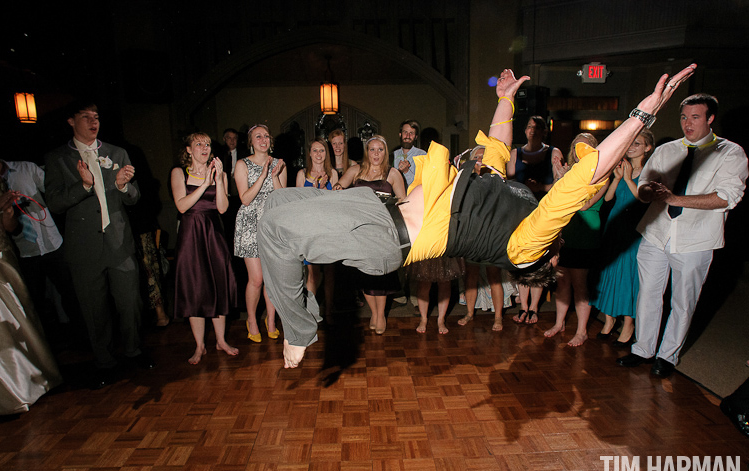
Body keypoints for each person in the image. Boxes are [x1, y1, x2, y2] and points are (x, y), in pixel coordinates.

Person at [258, 65, 697, 369]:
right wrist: (505, 100)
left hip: (383, 239)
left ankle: (298, 328)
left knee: (278, 231)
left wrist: (641, 116)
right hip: (375, 207)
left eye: (557, 255)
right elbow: (496, 151)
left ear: (547, 264)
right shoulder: (518, 198)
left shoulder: (529, 245)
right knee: (275, 208)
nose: (560, 247)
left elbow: (582, 176)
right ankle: (300, 306)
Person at [617, 93, 748, 378]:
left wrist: (675, 199)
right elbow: (644, 193)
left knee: (683, 301)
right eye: (683, 117)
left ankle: (667, 356)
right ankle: (643, 349)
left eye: (695, 117)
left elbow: (727, 197)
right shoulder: (668, 150)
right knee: (647, 296)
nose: (687, 124)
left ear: (711, 118)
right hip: (655, 233)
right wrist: (649, 191)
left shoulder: (731, 152)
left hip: (695, 240)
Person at [45, 101, 153, 389]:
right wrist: (81, 186)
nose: (93, 122)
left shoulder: (116, 153)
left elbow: (135, 196)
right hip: (84, 247)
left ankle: (133, 351)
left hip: (119, 242)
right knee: (94, 309)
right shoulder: (58, 159)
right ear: (71, 121)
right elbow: (54, 202)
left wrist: (122, 186)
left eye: (96, 117)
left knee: (131, 302)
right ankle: (104, 361)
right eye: (85, 117)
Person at [171, 133, 238, 364]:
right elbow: (182, 205)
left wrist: (218, 180)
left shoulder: (220, 173)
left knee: (217, 286)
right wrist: (204, 185)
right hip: (190, 234)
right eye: (198, 143)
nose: (204, 147)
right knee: (195, 289)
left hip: (213, 234)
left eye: (207, 144)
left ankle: (221, 340)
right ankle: (200, 346)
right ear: (189, 149)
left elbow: (222, 208)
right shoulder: (179, 173)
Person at [0, 159, 84, 339]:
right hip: (23, 251)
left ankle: (83, 337)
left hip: (52, 243)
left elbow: (56, 194)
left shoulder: (26, 168)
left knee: (70, 292)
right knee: (33, 301)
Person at [0, 180, 62, 414]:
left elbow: (12, 227)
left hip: (4, 256)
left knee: (20, 318)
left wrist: (7, 212)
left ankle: (26, 383)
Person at [334, 135, 407, 334]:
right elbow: (338, 189)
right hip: (361, 230)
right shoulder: (356, 170)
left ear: (385, 152)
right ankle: (374, 311)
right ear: (367, 152)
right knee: (364, 272)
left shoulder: (392, 173)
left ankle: (379, 314)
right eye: (372, 150)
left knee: (381, 273)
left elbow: (402, 200)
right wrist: (338, 188)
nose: (376, 154)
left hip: (384, 230)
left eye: (380, 150)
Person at [543, 134, 608, 347]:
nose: (582, 148)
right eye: (577, 144)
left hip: (585, 234)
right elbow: (553, 199)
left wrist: (564, 182)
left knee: (580, 285)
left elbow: (584, 204)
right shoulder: (569, 171)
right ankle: (559, 323)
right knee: (562, 282)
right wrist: (559, 179)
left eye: (587, 145)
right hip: (565, 235)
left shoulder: (602, 174)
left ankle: (581, 331)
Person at [589, 130, 653, 347]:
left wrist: (628, 178)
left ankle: (629, 324)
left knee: (628, 277)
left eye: (638, 143)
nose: (633, 146)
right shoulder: (623, 167)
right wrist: (617, 179)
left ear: (647, 148)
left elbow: (644, 199)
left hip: (632, 231)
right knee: (608, 273)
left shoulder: (650, 171)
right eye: (631, 142)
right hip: (614, 227)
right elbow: (608, 198)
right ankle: (609, 320)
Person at [508, 116, 564, 325]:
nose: (533, 130)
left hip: (545, 211)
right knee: (523, 260)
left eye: (537, 127)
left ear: (543, 131)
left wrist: (540, 188)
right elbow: (509, 179)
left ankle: (534, 309)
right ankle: (523, 307)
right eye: (530, 126)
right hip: (521, 212)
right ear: (525, 130)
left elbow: (561, 183)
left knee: (540, 261)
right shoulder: (516, 152)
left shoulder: (553, 152)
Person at [234, 124, 287, 342]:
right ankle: (252, 320)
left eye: (266, 135)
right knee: (256, 279)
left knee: (272, 278)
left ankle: (271, 320)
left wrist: (274, 175)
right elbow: (245, 199)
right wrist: (263, 173)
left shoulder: (280, 163)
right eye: (258, 136)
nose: (263, 139)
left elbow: (282, 197)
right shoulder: (241, 164)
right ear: (251, 141)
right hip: (249, 224)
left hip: (272, 223)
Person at [457, 146, 510, 332]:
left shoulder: (497, 180)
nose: (480, 159)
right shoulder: (466, 181)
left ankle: (498, 317)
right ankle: (470, 313)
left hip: (491, 234)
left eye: (484, 157)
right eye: (477, 157)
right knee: (470, 275)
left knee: (494, 276)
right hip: (471, 234)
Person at [296, 138, 339, 317]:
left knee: (329, 273)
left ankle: (328, 309)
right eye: (315, 150)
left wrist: (323, 190)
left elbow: (335, 204)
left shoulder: (333, 173)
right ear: (309, 153)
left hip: (328, 229)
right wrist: (315, 190)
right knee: (312, 274)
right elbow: (298, 205)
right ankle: (311, 313)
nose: (319, 154)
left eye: (322, 150)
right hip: (309, 229)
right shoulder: (302, 174)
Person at [393, 120, 427, 188]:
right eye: (405, 132)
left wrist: (406, 171)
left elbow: (422, 184)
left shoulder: (422, 155)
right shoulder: (393, 155)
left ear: (416, 137)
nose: (408, 136)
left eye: (411, 133)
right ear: (400, 134)